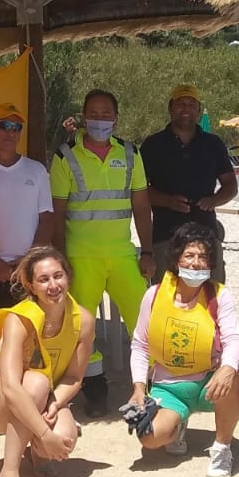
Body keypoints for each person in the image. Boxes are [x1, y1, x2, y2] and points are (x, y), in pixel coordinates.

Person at [50, 89, 156, 417]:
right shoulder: (65, 156)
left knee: (145, 320)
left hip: (123, 254)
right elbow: (57, 212)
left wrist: (147, 251)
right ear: (84, 117)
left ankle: (151, 385)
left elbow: (141, 203)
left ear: (116, 118)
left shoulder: (130, 153)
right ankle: (94, 387)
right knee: (83, 327)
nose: (99, 119)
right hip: (81, 258)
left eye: (105, 113)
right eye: (93, 113)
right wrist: (60, 260)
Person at [0, 246, 92, 477]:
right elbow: (11, 387)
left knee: (66, 440)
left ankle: (37, 455)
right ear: (30, 285)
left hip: (44, 393)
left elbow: (73, 376)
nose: (53, 285)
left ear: (68, 276)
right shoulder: (19, 318)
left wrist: (55, 404)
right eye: (43, 279)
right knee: (35, 383)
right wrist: (43, 432)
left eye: (58, 276)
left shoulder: (83, 320)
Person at [125, 222, 239, 477]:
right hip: (168, 385)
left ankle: (222, 447)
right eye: (189, 255)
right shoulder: (154, 295)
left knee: (235, 375)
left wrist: (227, 368)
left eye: (203, 257)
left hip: (207, 383)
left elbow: (234, 338)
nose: (195, 263)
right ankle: (176, 423)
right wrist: (138, 388)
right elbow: (140, 344)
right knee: (149, 438)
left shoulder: (220, 296)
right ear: (177, 258)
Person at [0, 102, 53, 355]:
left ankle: (27, 389)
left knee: (30, 335)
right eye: (4, 126)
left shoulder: (37, 171)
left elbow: (47, 218)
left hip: (27, 269)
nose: (10, 132)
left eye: (16, 127)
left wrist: (28, 263)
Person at [141, 84, 237, 279]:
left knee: (211, 297)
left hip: (207, 234)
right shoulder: (153, 145)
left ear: (198, 111)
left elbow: (231, 186)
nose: (186, 109)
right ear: (170, 108)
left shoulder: (213, 144)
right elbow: (140, 191)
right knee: (167, 299)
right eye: (181, 104)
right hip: (165, 237)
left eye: (191, 105)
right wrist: (168, 201)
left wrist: (214, 200)